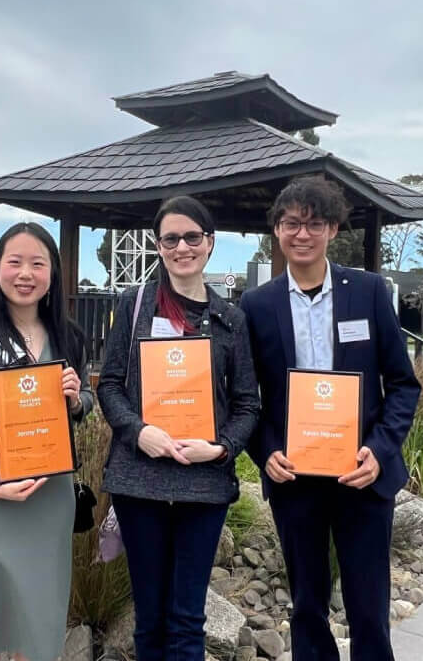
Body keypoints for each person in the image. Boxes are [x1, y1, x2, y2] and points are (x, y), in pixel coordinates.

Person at [240, 178, 421, 661]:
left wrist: (380, 453)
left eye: (314, 223)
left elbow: (403, 385)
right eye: (292, 223)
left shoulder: (367, 292)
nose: (303, 234)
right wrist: (264, 451)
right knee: (307, 604)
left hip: (361, 475)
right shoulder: (256, 306)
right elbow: (244, 397)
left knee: (368, 603)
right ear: (276, 230)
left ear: (333, 228)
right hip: (294, 477)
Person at [97, 195, 260, 661]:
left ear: (210, 243)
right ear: (158, 245)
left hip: (203, 486)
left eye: (193, 236)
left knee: (188, 621)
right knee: (149, 619)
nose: (182, 246)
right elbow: (109, 384)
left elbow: (248, 404)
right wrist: (137, 430)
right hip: (139, 483)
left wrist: (222, 448)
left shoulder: (231, 320)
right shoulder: (134, 306)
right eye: (171, 238)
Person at [0, 222, 93, 661]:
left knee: (40, 616)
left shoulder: (71, 337)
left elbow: (86, 402)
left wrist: (76, 399)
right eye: (15, 262)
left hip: (51, 495)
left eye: (37, 264)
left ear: (52, 273)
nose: (25, 273)